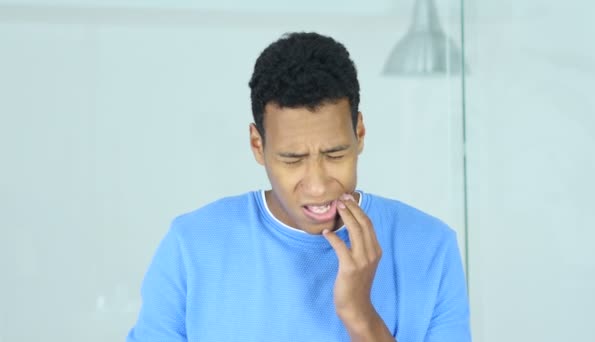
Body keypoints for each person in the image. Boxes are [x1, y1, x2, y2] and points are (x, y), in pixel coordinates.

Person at [127, 32, 471, 342]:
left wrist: (360, 316)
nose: (319, 187)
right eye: (293, 159)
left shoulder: (431, 247)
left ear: (360, 134)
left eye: (335, 154)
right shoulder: (191, 246)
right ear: (257, 146)